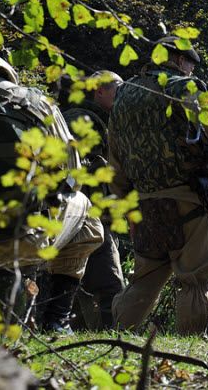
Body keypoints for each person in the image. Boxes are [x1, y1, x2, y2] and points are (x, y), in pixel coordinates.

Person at [109, 37, 208, 336]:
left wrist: (127, 205)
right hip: (191, 199)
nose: (191, 69)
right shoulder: (183, 88)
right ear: (178, 59)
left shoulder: (124, 94)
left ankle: (118, 335)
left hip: (146, 202)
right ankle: (189, 343)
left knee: (144, 279)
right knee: (196, 279)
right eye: (190, 62)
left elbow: (116, 159)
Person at [0, 56, 104, 332]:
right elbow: (73, 177)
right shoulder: (34, 103)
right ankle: (57, 319)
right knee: (86, 212)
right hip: (16, 238)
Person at [59, 71, 125, 330]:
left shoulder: (91, 118)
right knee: (110, 284)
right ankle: (112, 338)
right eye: (117, 90)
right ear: (99, 91)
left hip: (82, 214)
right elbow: (74, 172)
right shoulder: (83, 119)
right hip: (86, 215)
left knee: (77, 280)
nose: (122, 96)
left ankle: (84, 336)